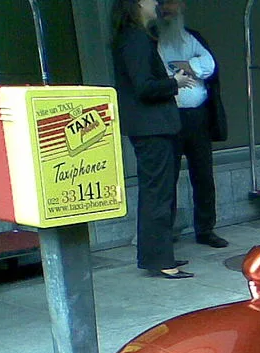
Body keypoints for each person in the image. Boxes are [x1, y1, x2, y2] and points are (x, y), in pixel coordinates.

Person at [111, 0, 195, 278]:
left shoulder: (134, 36)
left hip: (154, 127)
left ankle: (160, 254)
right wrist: (175, 83)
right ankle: (159, 259)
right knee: (157, 194)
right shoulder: (134, 38)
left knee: (160, 192)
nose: (156, 3)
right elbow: (144, 87)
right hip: (151, 128)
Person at [157, 0, 228, 249]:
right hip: (168, 117)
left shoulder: (192, 38)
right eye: (163, 4)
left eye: (172, 4)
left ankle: (206, 229)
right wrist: (188, 68)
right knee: (168, 178)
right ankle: (165, 233)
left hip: (197, 117)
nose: (167, 10)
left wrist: (187, 67)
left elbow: (209, 66)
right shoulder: (151, 40)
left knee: (203, 175)